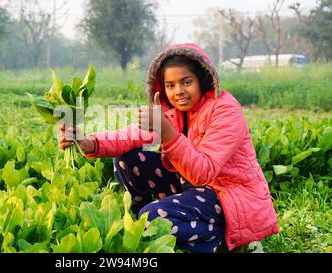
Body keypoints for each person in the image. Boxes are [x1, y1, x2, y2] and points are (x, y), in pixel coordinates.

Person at [59, 43, 279, 253]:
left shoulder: (225, 110)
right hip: (191, 185)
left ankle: (220, 236)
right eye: (170, 85)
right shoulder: (171, 111)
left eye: (186, 82)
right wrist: (89, 142)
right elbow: (129, 136)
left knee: (153, 217)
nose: (178, 91)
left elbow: (204, 171)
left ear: (203, 79)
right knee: (127, 158)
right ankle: (142, 224)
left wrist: (168, 133)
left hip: (228, 197)